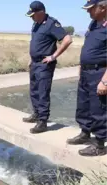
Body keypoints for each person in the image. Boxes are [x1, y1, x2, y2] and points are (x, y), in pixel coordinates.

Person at [23, 1, 73, 134]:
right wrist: (31, 59)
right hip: (35, 63)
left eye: (33, 15)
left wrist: (53, 56)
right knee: (34, 90)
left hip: (45, 64)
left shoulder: (51, 24)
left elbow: (67, 39)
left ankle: (43, 122)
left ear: (41, 12)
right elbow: (37, 43)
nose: (31, 17)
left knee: (42, 91)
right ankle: (36, 114)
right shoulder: (36, 24)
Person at [66, 0, 107, 156]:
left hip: (100, 73)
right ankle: (85, 134)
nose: (87, 12)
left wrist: (105, 80)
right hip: (86, 72)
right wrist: (81, 66)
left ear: (103, 8)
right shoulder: (93, 24)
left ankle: (100, 145)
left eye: (91, 9)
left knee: (99, 109)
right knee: (83, 105)